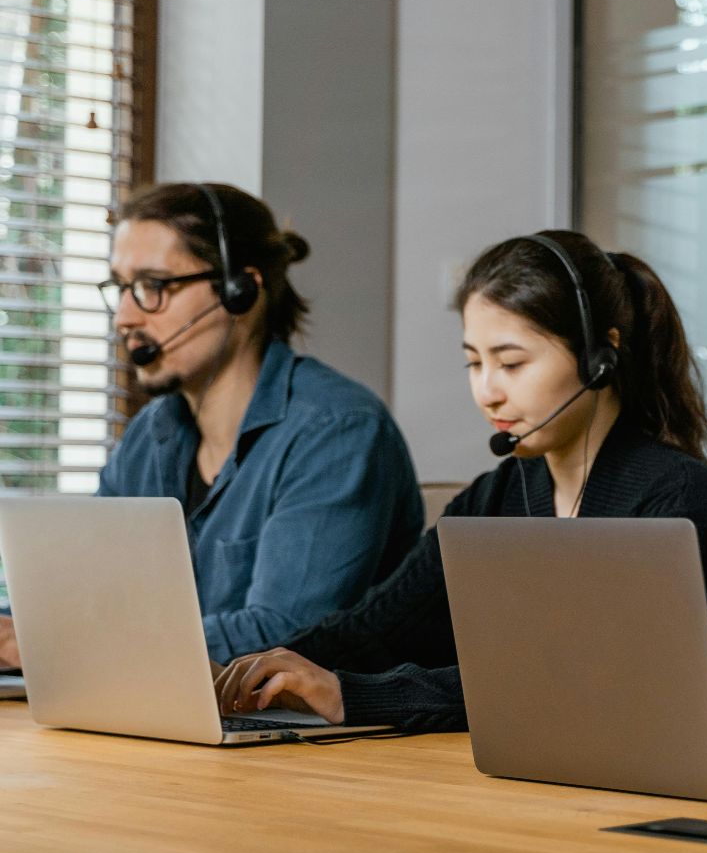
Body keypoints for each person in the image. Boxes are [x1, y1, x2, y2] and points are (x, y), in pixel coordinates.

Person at [212, 231, 707, 732]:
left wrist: (352, 696)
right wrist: (241, 673)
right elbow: (371, 629)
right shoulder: (495, 496)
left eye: (511, 364)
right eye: (474, 363)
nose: (487, 391)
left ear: (600, 358)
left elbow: (581, 681)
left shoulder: (680, 499)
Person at [0, 183, 421, 670]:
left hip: (301, 737)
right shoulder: (151, 434)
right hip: (171, 712)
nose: (125, 318)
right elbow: (89, 588)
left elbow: (284, 634)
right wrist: (19, 628)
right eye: (121, 288)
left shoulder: (337, 431)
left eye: (154, 286)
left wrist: (57, 641)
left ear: (240, 291)